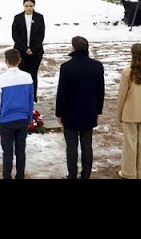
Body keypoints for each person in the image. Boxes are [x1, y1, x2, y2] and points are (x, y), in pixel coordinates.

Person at [55, 36, 105, 179]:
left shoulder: (66, 67)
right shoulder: (97, 66)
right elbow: (100, 91)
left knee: (71, 146)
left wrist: (59, 112)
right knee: (87, 145)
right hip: (89, 111)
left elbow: (62, 92)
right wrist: (98, 110)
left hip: (70, 112)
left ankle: (72, 175)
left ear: (74, 48)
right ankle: (86, 175)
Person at [0, 49, 35, 179]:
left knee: (8, 153)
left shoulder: (0, 79)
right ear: (20, 60)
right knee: (21, 151)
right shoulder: (27, 77)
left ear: (5, 62)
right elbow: (30, 100)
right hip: (22, 119)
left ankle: (7, 176)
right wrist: (29, 119)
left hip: (6, 121)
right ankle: (20, 176)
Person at [117, 43, 141, 179]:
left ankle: (129, 172)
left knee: (130, 144)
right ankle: (140, 173)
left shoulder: (127, 72)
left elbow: (122, 96)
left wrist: (119, 114)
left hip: (130, 113)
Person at [11, 0, 45, 102]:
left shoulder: (39, 17)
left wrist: (33, 49)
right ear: (23, 6)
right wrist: (25, 49)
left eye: (31, 6)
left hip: (36, 52)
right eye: (27, 6)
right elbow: (15, 36)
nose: (29, 8)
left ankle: (33, 96)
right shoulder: (17, 18)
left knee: (32, 73)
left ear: (34, 6)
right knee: (22, 74)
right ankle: (22, 96)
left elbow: (41, 35)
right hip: (21, 52)